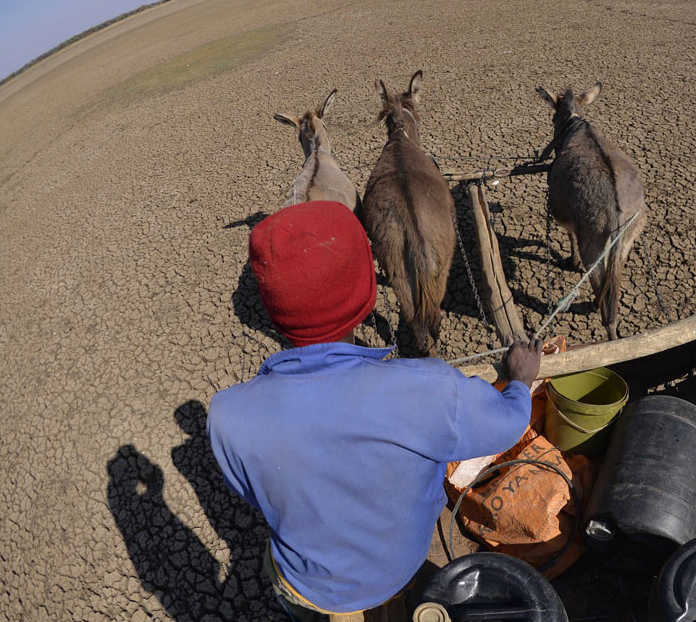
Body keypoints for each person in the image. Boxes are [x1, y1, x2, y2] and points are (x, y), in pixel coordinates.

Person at [208, 200, 541, 621]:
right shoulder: (429, 388)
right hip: (400, 569)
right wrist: (519, 382)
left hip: (309, 588)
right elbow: (507, 425)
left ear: (273, 310)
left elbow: (255, 495)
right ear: (367, 295)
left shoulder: (228, 416)